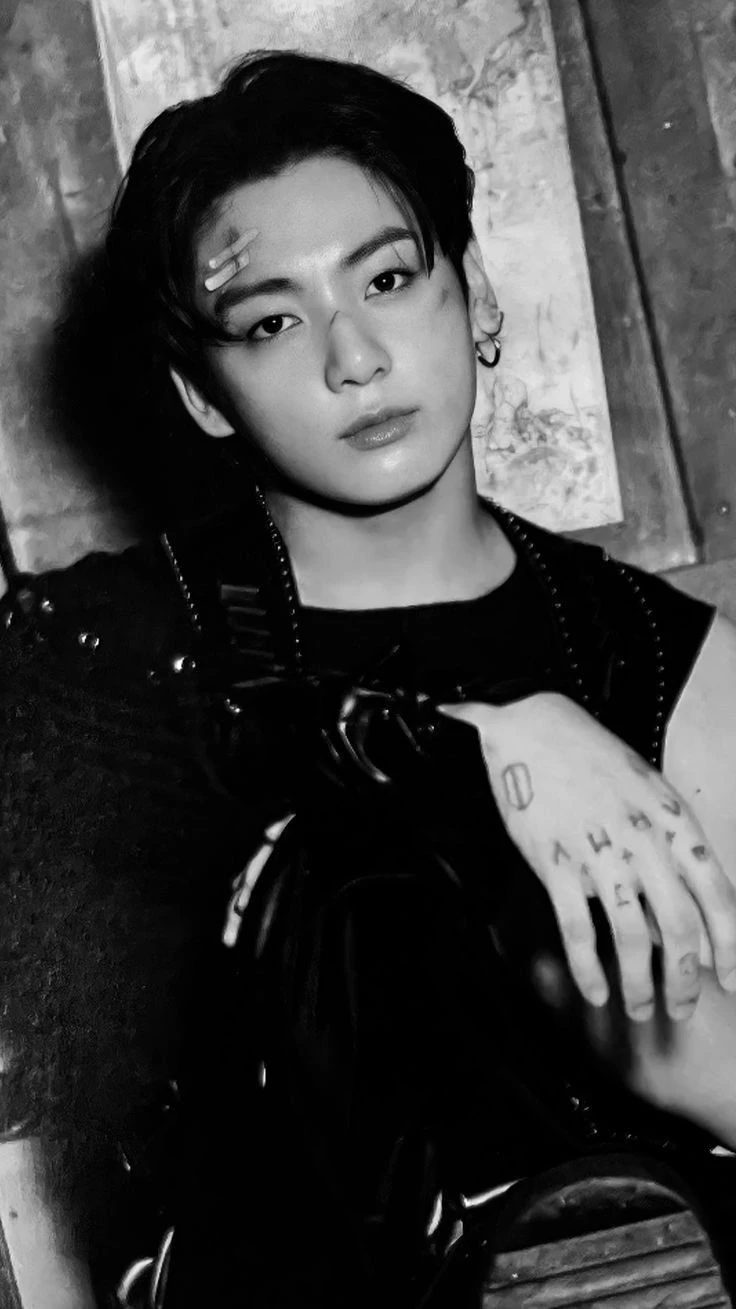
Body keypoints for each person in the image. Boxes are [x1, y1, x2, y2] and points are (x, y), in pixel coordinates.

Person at [2, 47, 736, 1306]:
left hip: (654, 1253)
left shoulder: (656, 653)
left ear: (475, 293)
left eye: (388, 279)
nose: (353, 358)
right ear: (203, 394)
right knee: (347, 879)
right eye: (271, 321)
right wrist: (479, 744)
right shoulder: (106, 649)